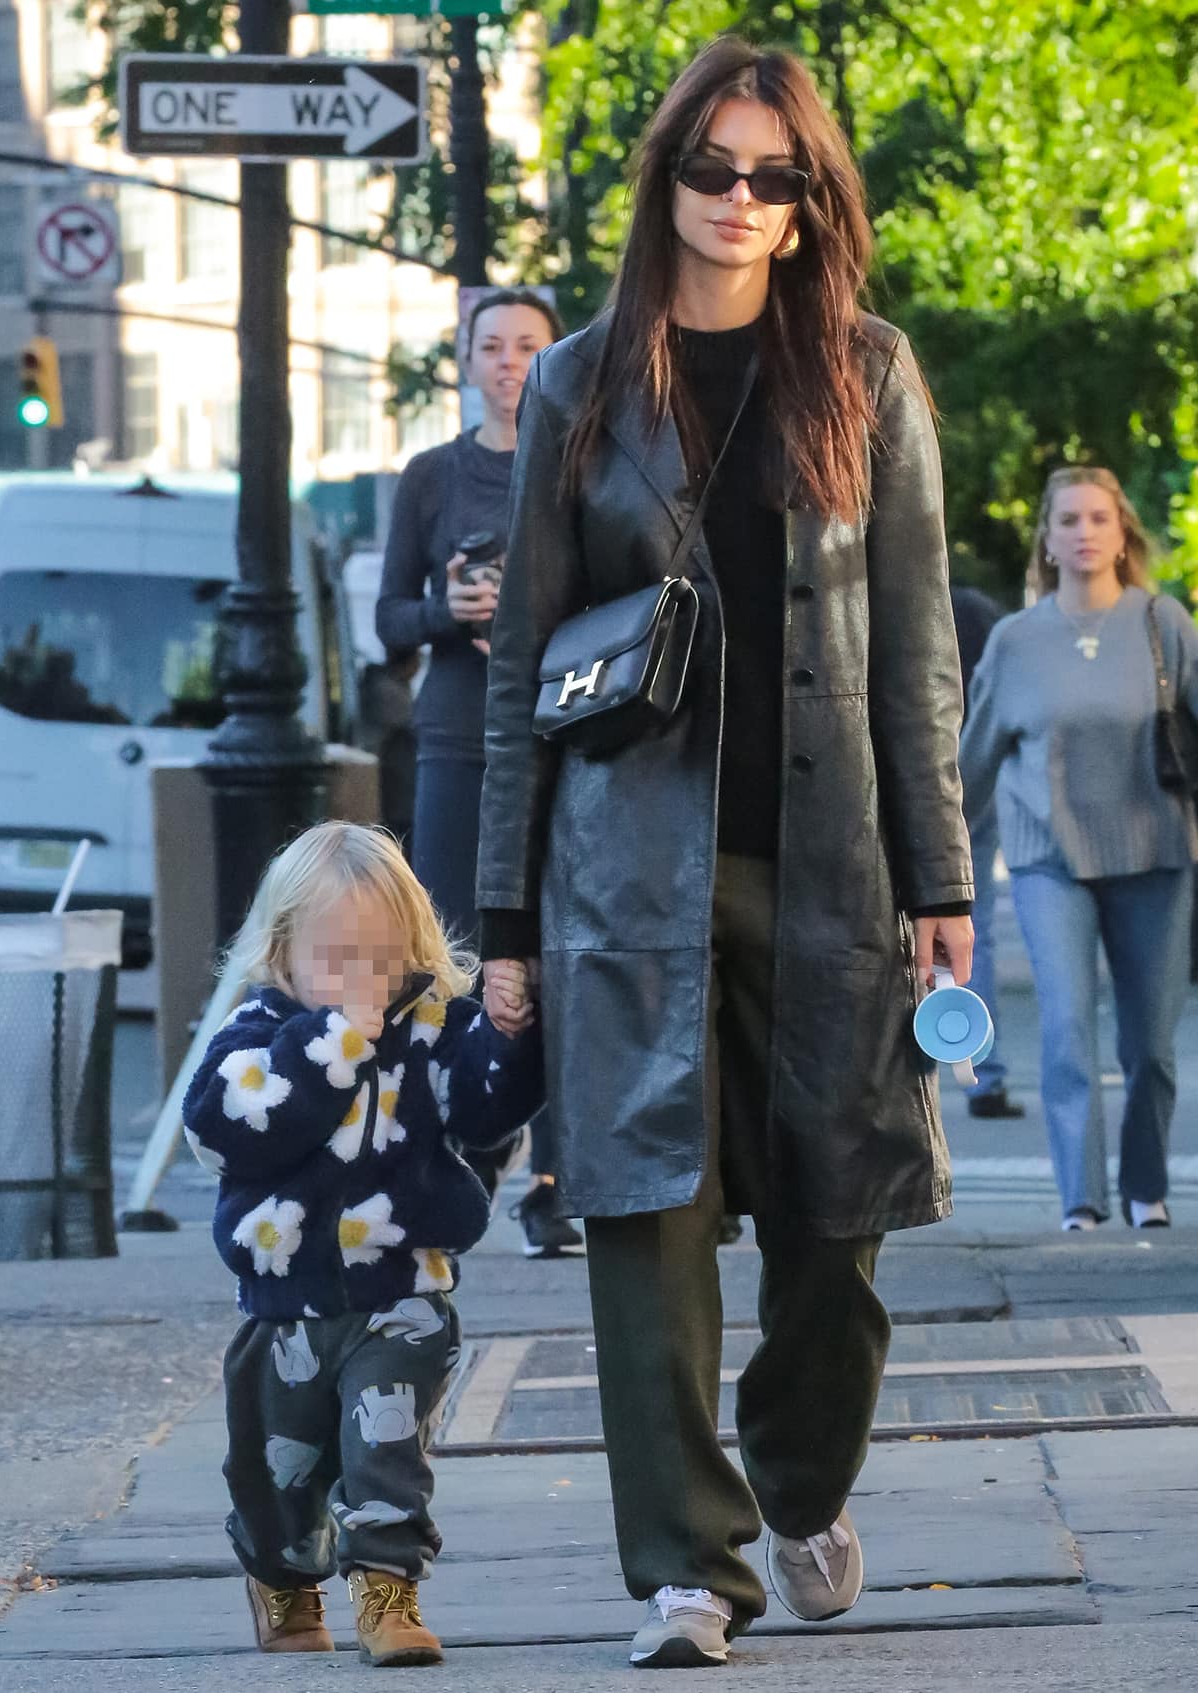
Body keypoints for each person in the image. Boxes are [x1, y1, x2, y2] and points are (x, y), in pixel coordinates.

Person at [476, 37, 973, 1669]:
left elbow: (914, 648)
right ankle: (688, 1567)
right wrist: (504, 913)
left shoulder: (870, 373)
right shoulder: (582, 380)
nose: (742, 201)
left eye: (777, 175)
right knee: (648, 1228)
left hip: (831, 872)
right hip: (627, 876)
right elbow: (521, 671)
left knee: (840, 1227)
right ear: (665, 180)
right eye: (713, 170)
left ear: (813, 196)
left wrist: (942, 881)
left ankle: (804, 1475)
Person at [181, 823, 542, 1664]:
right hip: (286, 1305)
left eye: (381, 958)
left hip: (402, 1290)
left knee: (385, 1447)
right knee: (277, 1470)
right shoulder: (256, 1035)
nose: (363, 982)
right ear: (282, 955)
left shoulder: (427, 1029)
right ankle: (282, 1573)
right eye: (338, 957)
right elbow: (229, 1127)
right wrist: (330, 1044)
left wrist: (509, 1036)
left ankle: (388, 1587)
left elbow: (485, 1108)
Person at [376, 289, 583, 1258]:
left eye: (528, 346)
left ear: (554, 358)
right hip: (459, 734)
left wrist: (530, 610)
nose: (508, 362)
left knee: (566, 942)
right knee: (457, 942)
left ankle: (558, 1174)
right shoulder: (429, 476)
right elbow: (386, 622)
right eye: (490, 346)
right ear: (465, 361)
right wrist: (449, 609)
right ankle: (473, 1140)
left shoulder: (580, 462)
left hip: (562, 724)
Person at [961, 467, 1198, 1232]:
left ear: (1123, 532)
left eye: (1100, 518)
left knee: (1152, 1046)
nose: (1086, 532)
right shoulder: (1016, 640)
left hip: (1156, 854)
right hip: (1048, 861)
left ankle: (1145, 1186)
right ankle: (1082, 1201)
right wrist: (932, 860)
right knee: (1065, 1030)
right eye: (1069, 520)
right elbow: (974, 758)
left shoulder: (1165, 624)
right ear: (1049, 541)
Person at [950, 584, 1025, 1120]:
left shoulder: (882, 597)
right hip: (973, 778)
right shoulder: (979, 613)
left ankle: (910, 1078)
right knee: (975, 932)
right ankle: (982, 1075)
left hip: (902, 777)